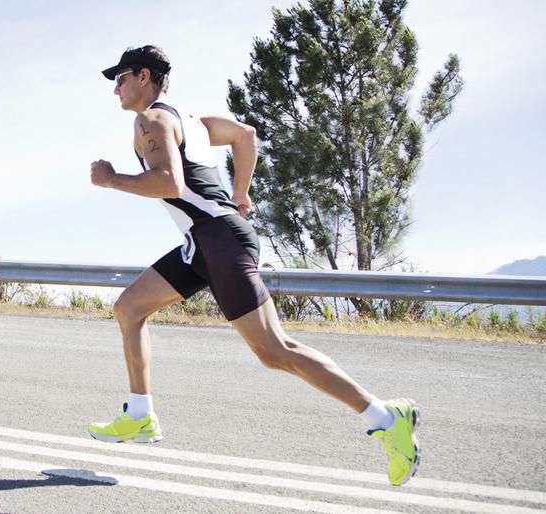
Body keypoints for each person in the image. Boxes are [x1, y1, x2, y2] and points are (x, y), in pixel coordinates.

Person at [86, 45, 420, 486]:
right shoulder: (194, 122)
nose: (116, 89)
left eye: (121, 78)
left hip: (219, 240)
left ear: (144, 76)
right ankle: (141, 413)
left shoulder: (152, 120)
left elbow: (169, 181)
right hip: (204, 242)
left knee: (274, 351)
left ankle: (385, 416)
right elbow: (245, 135)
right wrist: (241, 194)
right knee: (129, 308)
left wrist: (112, 180)